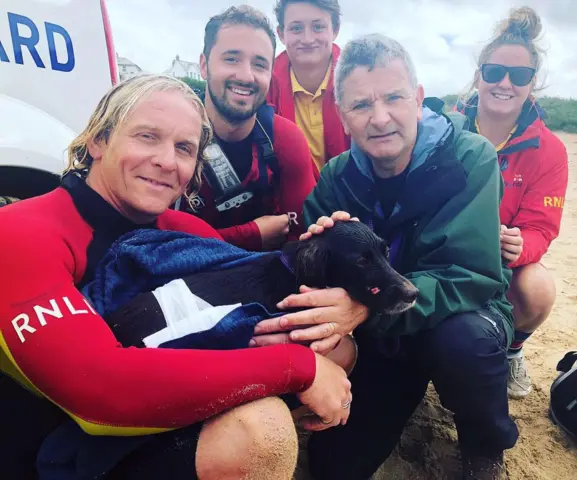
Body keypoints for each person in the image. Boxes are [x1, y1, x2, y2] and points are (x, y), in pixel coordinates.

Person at [0, 74, 367, 480]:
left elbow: (267, 301)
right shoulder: (21, 233)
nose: (166, 161)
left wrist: (340, 288)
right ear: (99, 140)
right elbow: (100, 392)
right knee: (260, 432)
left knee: (336, 350)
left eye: (184, 148)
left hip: (143, 431)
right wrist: (295, 366)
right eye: (147, 137)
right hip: (49, 446)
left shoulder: (184, 233)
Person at [252, 34, 519, 480]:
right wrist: (314, 247)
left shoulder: (471, 158)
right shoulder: (338, 177)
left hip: (455, 312)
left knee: (465, 344)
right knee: (335, 466)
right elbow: (312, 267)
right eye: (361, 106)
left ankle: (484, 442)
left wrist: (364, 307)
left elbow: (470, 274)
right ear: (344, 116)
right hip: (380, 333)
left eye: (394, 98)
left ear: (417, 99)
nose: (380, 119)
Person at [454, 6, 569, 399]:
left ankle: (512, 349)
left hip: (502, 261)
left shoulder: (549, 150)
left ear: (532, 82)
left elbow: (541, 228)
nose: (505, 83)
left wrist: (521, 246)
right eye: (494, 72)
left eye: (518, 75)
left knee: (538, 287)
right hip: (440, 251)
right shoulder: (446, 129)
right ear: (479, 75)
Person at [177, 5, 318, 252]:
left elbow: (307, 239)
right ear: (203, 65)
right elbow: (154, 244)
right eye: (231, 59)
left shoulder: (285, 139)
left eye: (259, 64)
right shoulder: (172, 137)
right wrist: (251, 234)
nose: (246, 76)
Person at [267, 0, 349, 174]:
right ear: (281, 34)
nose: (308, 39)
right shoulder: (263, 87)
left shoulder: (359, 80)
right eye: (296, 28)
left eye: (318, 27)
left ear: (335, 30)